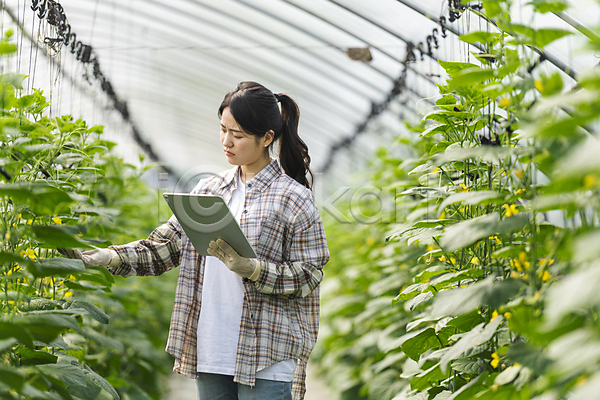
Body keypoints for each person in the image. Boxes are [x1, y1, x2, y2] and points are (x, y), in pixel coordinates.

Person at [60, 81, 330, 400]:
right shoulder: (209, 193)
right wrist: (107, 257)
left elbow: (310, 274)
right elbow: (163, 247)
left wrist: (254, 269)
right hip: (212, 348)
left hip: (266, 354)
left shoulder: (293, 198)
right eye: (223, 129)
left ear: (267, 138)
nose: (226, 141)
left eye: (238, 135)